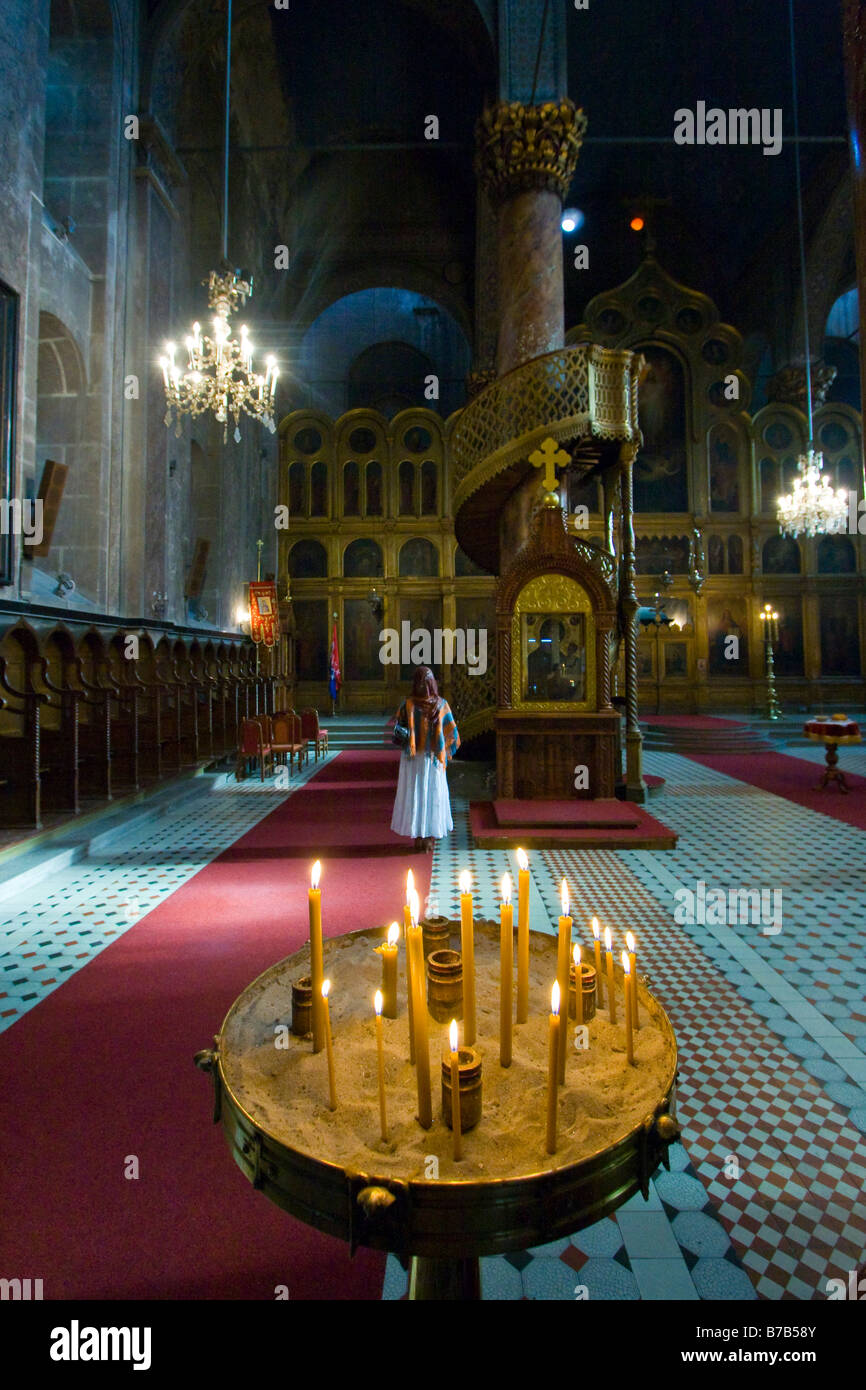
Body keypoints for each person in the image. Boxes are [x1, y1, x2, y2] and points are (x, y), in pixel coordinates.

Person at [390, 666, 460, 852]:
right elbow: (453, 734)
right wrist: (444, 750)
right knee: (430, 794)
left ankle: (422, 836)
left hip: (418, 759)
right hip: (429, 759)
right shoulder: (440, 704)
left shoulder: (408, 705)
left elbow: (397, 728)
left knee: (418, 795)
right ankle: (426, 836)